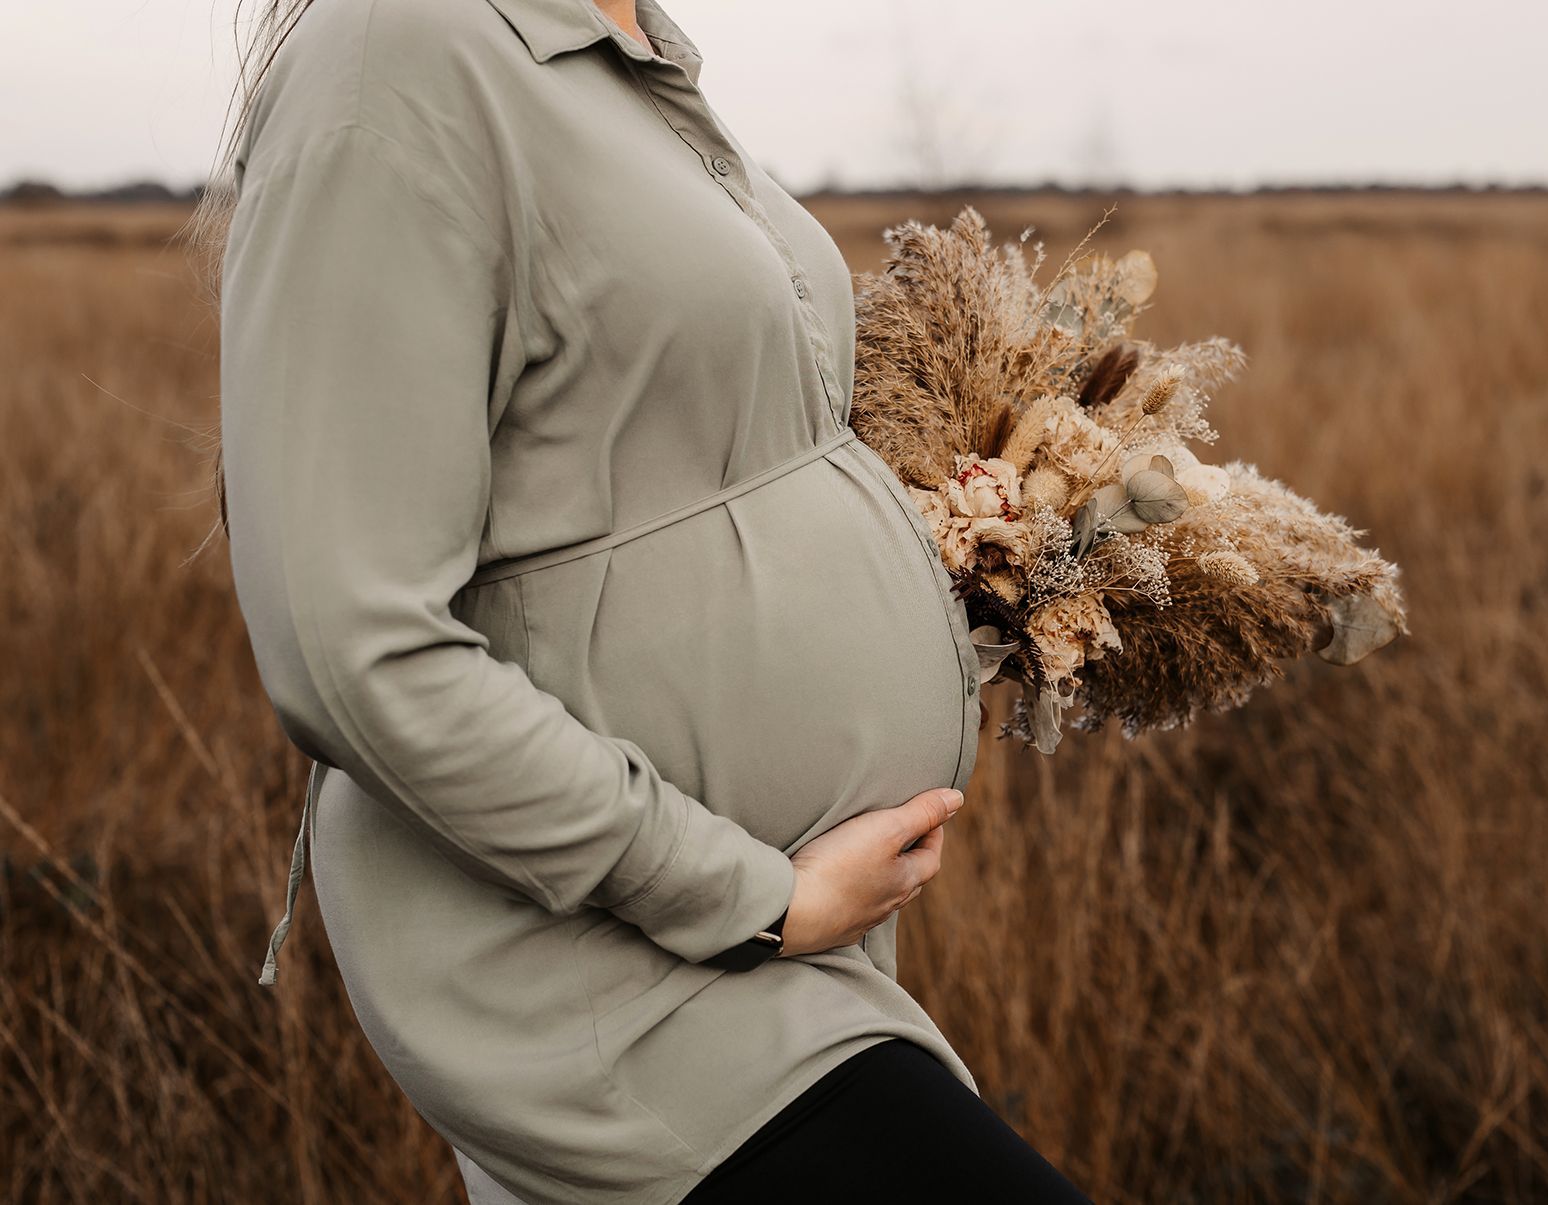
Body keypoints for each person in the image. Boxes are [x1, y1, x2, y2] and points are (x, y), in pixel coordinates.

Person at [198, 0, 1093, 1200]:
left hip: (767, 947)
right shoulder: (396, 55)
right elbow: (345, 644)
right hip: (601, 968)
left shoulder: (631, 58)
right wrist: (756, 899)